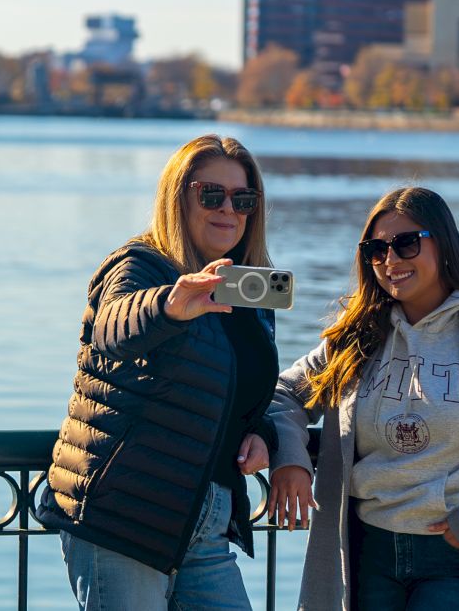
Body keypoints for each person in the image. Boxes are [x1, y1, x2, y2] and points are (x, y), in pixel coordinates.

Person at [265, 186, 459, 611]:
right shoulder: (356, 338)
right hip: (366, 558)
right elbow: (284, 394)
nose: (391, 260)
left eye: (406, 244)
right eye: (377, 249)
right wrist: (290, 460)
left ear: (443, 244)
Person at [39, 134, 281, 611]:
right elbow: (112, 328)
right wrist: (169, 306)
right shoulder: (140, 266)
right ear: (178, 197)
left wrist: (264, 435)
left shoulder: (246, 293)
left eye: (242, 199)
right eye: (211, 194)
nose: (227, 209)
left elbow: (224, 395)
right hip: (124, 519)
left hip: (204, 522)